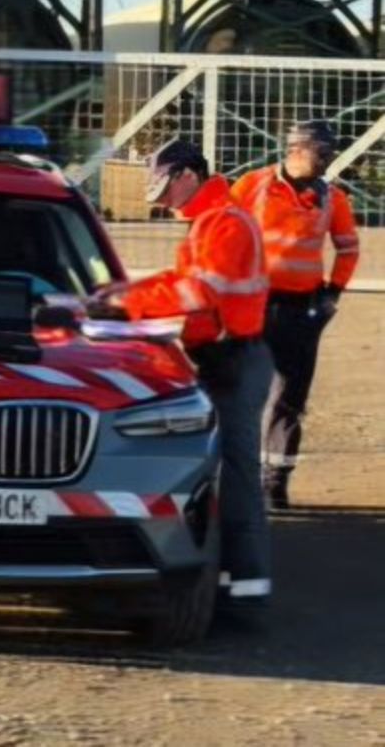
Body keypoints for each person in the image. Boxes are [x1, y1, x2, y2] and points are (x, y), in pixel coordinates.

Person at [93, 139, 274, 606]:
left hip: (235, 360)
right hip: (224, 358)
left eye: (165, 189)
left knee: (235, 474)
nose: (164, 202)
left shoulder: (225, 224)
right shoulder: (211, 222)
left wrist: (125, 304)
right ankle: (232, 581)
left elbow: (197, 292)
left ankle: (246, 589)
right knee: (218, 469)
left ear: (187, 176)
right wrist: (121, 291)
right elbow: (178, 282)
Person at [231, 121, 361, 510]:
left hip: (300, 311)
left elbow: (348, 249)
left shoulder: (332, 198)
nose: (329, 161)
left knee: (289, 399)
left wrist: (331, 295)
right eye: (324, 153)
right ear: (298, 149)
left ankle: (274, 484)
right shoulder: (250, 186)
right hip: (251, 305)